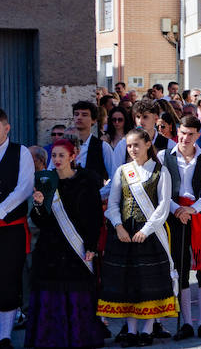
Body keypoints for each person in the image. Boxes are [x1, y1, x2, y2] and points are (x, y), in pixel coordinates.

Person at [98, 129, 176, 348]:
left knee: (149, 282)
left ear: (148, 144)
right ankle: (131, 331)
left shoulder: (161, 172)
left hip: (149, 234)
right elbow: (113, 203)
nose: (132, 149)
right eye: (129, 146)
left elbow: (163, 205)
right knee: (127, 281)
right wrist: (118, 226)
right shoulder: (123, 171)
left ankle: (147, 329)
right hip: (124, 234)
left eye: (136, 145)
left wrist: (147, 230)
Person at [26, 139, 104, 348]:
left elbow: (94, 218)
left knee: (77, 291)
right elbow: (40, 219)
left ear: (73, 156)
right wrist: (39, 204)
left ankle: (79, 336)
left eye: (62, 155)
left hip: (76, 248)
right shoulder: (46, 180)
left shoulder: (86, 181)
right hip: (50, 248)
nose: (58, 160)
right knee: (50, 292)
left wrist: (90, 246)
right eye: (54, 156)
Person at [163, 116, 201, 341]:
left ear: (198, 135)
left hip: (199, 216)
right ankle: (187, 322)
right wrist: (178, 209)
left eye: (191, 134)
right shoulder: (164, 156)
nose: (185, 138)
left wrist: (193, 210)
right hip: (175, 216)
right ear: (178, 131)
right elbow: (162, 190)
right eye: (183, 133)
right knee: (180, 267)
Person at [0, 109, 33, 348]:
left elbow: (24, 188)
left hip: (10, 228)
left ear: (7, 127)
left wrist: (0, 211)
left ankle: (5, 336)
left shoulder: (21, 152)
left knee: (8, 280)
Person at [66, 101, 119, 199]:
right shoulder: (63, 146)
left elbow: (115, 177)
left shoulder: (103, 147)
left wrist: (98, 195)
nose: (79, 117)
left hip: (92, 203)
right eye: (76, 114)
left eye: (84, 115)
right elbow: (52, 173)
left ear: (94, 120)